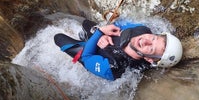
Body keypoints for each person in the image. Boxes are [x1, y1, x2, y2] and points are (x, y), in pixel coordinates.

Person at [54, 19, 183, 81]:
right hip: (103, 35)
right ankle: (87, 34)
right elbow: (119, 24)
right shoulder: (142, 30)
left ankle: (86, 38)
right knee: (85, 23)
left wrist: (100, 32)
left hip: (91, 53)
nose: (146, 40)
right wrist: (104, 33)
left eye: (151, 48)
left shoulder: (114, 67)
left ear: (149, 59)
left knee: (59, 38)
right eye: (154, 38)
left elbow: (87, 58)